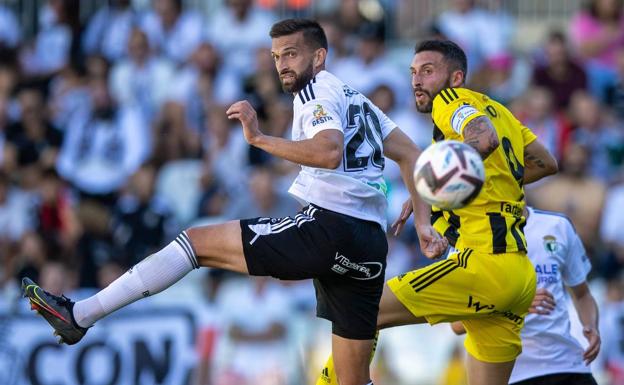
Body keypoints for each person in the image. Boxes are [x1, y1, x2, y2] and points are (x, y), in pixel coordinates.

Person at [22, 19, 444, 385]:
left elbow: (329, 151)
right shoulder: (359, 100)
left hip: (329, 227)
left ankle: (81, 316)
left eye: (292, 54)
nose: (282, 64)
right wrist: (422, 222)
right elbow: (410, 154)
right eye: (277, 55)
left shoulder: (316, 91)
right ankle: (80, 317)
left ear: (319, 57)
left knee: (195, 243)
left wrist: (259, 139)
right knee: (353, 381)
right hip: (368, 245)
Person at [316, 40, 558, 385]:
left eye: (428, 71)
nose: (417, 80)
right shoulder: (501, 111)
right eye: (413, 72)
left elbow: (483, 139)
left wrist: (437, 175)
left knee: (361, 308)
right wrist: (440, 193)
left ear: (456, 77)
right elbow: (546, 163)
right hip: (519, 275)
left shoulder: (450, 101)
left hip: (483, 265)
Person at [451, 206, 601, 385]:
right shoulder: (467, 238)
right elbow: (457, 325)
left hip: (567, 366)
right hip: (510, 373)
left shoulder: (557, 226)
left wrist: (591, 326)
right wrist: (515, 304)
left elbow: (582, 294)